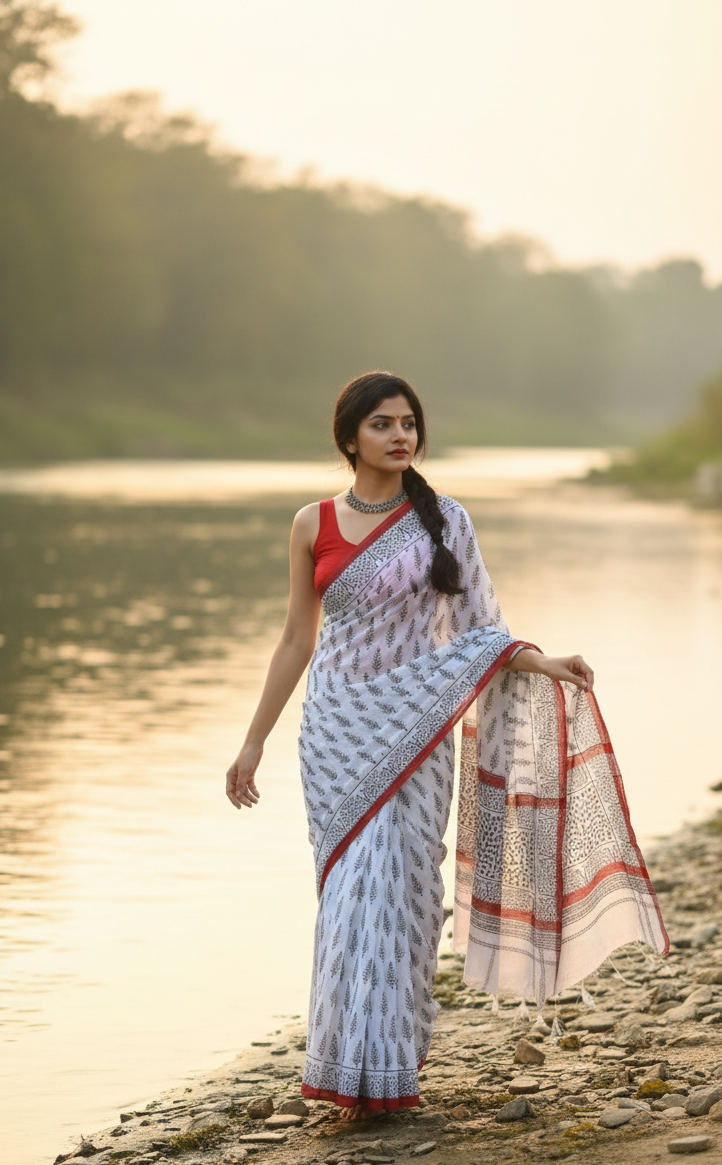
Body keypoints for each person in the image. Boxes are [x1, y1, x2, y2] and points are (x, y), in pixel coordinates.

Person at [226, 371, 667, 1120]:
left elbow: (480, 631)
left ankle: (390, 1067)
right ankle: (348, 1072)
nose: (400, 435)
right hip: (335, 729)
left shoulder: (443, 520)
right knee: (347, 894)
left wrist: (541, 659)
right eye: (382, 424)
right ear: (349, 437)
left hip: (416, 729)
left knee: (403, 890)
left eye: (409, 422)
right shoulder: (312, 523)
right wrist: (252, 740)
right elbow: (298, 638)